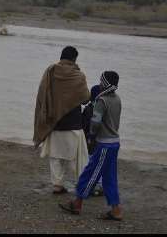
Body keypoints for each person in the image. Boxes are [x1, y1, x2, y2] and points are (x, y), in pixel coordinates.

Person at [59, 71, 123, 221]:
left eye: (102, 81)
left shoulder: (102, 100)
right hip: (115, 142)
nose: (100, 84)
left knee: (90, 174)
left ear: (105, 83)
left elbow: (96, 122)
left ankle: (77, 203)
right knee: (109, 178)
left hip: (104, 145)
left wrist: (91, 137)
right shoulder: (117, 99)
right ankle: (116, 210)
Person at [34, 46, 90, 194]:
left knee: (55, 156)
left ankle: (57, 185)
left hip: (54, 122)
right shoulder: (79, 76)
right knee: (77, 158)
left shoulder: (50, 72)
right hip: (73, 123)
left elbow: (42, 95)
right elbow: (85, 99)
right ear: (74, 59)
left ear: (61, 57)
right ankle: (83, 184)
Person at [82, 84, 104, 196]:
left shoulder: (89, 109)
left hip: (90, 140)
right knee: (100, 164)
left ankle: (88, 184)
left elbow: (84, 125)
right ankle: (99, 185)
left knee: (88, 163)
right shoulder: (104, 108)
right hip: (102, 141)